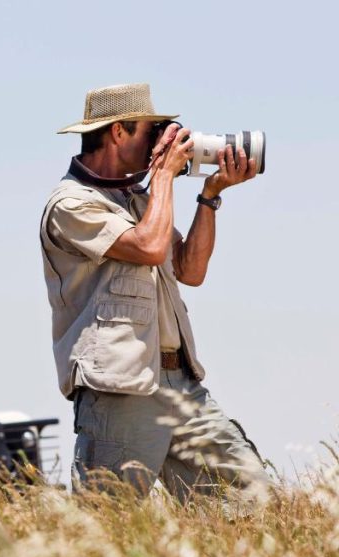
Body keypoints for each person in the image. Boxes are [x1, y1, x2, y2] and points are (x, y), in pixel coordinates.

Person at [39, 82, 270, 502]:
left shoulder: (141, 201)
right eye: (153, 131)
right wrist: (163, 174)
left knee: (247, 496)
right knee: (109, 520)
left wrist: (210, 196)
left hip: (179, 380)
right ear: (118, 132)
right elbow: (147, 247)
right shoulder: (70, 204)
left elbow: (191, 270)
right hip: (122, 386)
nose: (159, 144)